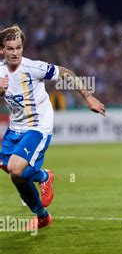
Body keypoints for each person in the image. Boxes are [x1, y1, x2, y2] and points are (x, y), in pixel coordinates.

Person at [0, 25, 105, 230]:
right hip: (16, 127)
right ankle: (42, 216)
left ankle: (44, 176)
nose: (15, 53)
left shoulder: (33, 68)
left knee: (16, 168)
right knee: (15, 175)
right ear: (1, 50)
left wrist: (89, 98)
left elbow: (66, 73)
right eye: (10, 49)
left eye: (19, 48)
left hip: (38, 125)